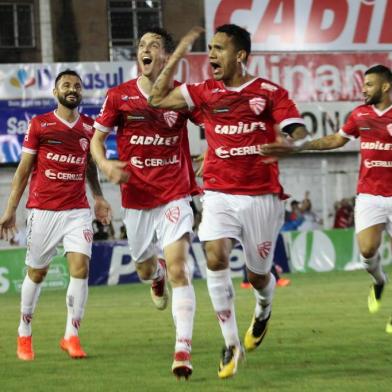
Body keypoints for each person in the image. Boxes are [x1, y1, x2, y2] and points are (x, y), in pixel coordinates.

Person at [148, 24, 308, 378]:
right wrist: (179, 52)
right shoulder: (205, 92)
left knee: (258, 274)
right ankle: (232, 345)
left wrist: (291, 145)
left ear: (241, 56)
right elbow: (156, 99)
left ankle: (264, 308)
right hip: (219, 193)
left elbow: (298, 130)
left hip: (261, 197)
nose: (212, 55)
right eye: (209, 48)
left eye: (219, 48)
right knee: (215, 256)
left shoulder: (269, 93)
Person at [90, 28, 200, 379]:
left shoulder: (180, 94)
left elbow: (215, 121)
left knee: (180, 268)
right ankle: (155, 277)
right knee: (143, 268)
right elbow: (96, 141)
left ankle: (183, 348)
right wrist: (106, 164)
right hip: (136, 198)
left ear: (166, 56)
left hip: (174, 193)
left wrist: (214, 155)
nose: (145, 49)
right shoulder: (119, 96)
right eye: (141, 46)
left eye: (153, 45)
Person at [261, 64, 392, 333]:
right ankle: (379, 281)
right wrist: (301, 145)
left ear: (386, 86)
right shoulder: (360, 115)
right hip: (369, 196)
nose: (363, 89)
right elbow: (337, 139)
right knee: (367, 252)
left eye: (369, 84)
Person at [0, 70, 112, 361]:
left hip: (77, 210)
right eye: (66, 85)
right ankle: (24, 332)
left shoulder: (90, 127)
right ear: (56, 92)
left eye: (77, 85)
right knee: (37, 273)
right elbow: (23, 171)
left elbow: (89, 165)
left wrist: (98, 197)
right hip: (43, 209)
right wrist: (10, 210)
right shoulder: (40, 125)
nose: (72, 89)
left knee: (81, 268)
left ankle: (71, 336)